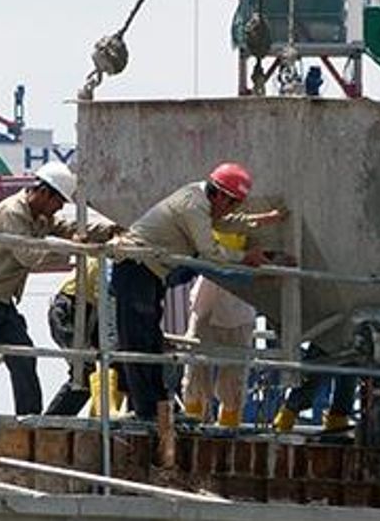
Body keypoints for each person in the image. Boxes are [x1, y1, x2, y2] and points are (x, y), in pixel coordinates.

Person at [0, 161, 115, 415]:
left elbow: (69, 228)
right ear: (43, 192)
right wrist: (72, 248)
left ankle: (29, 419)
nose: (59, 208)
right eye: (58, 201)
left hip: (1, 300)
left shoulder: (39, 215)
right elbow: (29, 256)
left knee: (24, 357)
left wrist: (110, 231)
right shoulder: (12, 212)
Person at [111, 162, 275, 421]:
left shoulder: (202, 203)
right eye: (232, 203)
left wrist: (256, 222)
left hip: (150, 271)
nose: (232, 209)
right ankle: (147, 412)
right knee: (139, 342)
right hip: (136, 268)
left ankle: (159, 408)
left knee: (151, 341)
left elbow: (224, 222)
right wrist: (245, 257)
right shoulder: (193, 205)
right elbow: (210, 251)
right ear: (219, 194)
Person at [182, 232, 259, 428]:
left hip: (240, 296)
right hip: (209, 294)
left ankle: (228, 428)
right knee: (195, 369)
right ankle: (191, 428)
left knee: (234, 376)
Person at [43, 257, 123, 416]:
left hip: (89, 312)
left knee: (98, 370)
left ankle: (93, 418)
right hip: (71, 308)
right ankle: (52, 425)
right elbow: (107, 294)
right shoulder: (107, 257)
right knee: (84, 370)